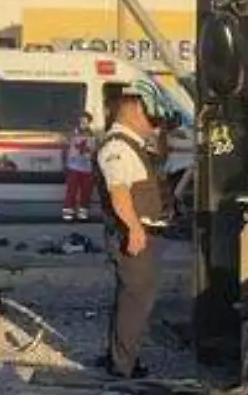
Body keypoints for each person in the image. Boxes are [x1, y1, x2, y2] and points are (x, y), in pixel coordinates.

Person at [93, 80, 169, 379]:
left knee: (130, 298)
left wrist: (160, 134)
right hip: (133, 235)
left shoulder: (132, 145)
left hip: (141, 231)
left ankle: (118, 357)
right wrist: (135, 230)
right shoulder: (117, 148)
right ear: (136, 110)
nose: (152, 123)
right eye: (149, 116)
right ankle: (123, 367)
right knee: (137, 299)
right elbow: (119, 193)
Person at [62, 112, 96, 222]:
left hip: (87, 168)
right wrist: (65, 165)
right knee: (72, 191)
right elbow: (65, 149)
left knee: (86, 192)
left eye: (86, 121)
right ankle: (68, 214)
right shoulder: (71, 134)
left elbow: (94, 152)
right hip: (73, 167)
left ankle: (83, 214)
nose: (84, 123)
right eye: (82, 121)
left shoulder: (92, 135)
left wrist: (95, 166)